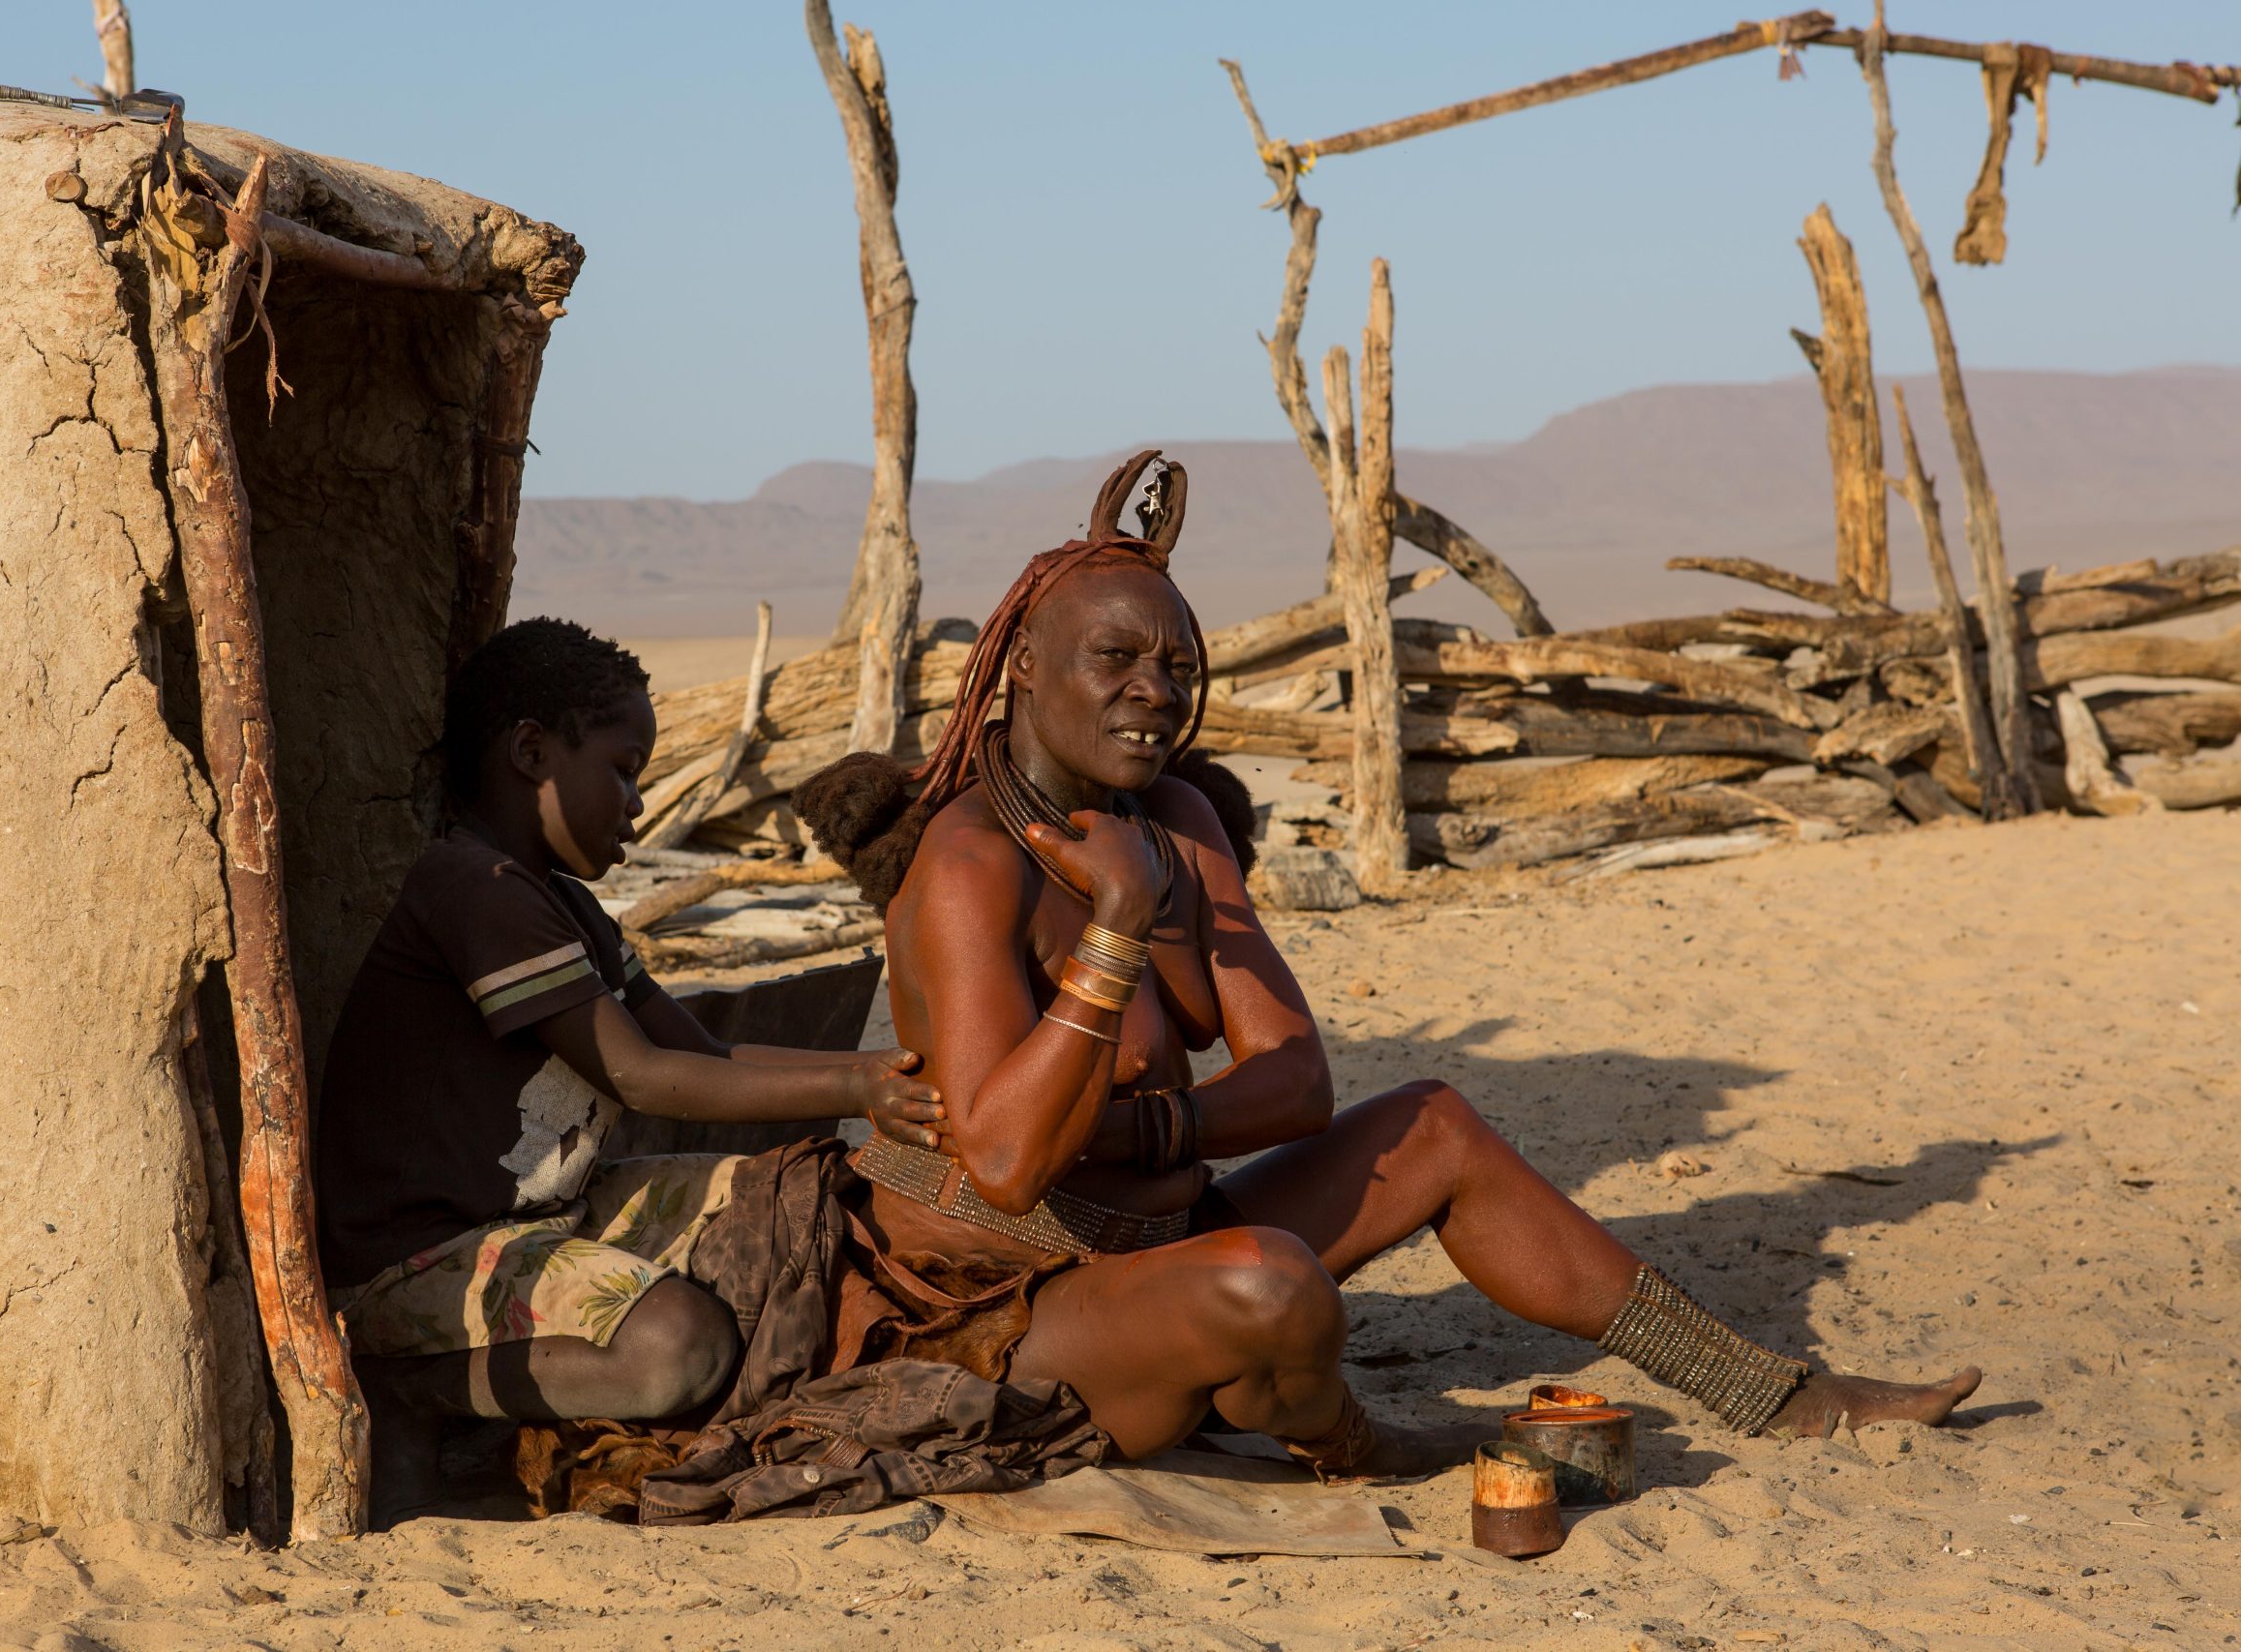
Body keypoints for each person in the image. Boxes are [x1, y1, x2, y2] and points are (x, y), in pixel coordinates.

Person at [790, 451, 1982, 1481]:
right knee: (1270, 1285)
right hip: (1010, 1312)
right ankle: (1355, 1447)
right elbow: (1003, 1165)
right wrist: (1114, 929)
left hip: (1162, 1236)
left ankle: (1767, 1391)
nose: (1153, 693)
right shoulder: (967, 864)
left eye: (1178, 670)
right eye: (1114, 659)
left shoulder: (1183, 826)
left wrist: (1139, 1136)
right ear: (1021, 671)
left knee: (1434, 1126)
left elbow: (1297, 1082)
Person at [315, 617, 945, 1519]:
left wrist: (881, 1067)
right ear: (531, 750)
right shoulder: (471, 890)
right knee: (677, 1348)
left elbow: (708, 1054)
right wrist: (857, 1088)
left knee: (786, 1206)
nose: (638, 806)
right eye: (623, 769)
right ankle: (406, 1384)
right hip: (411, 1262)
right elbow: (645, 1076)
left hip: (540, 1216)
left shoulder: (566, 905)